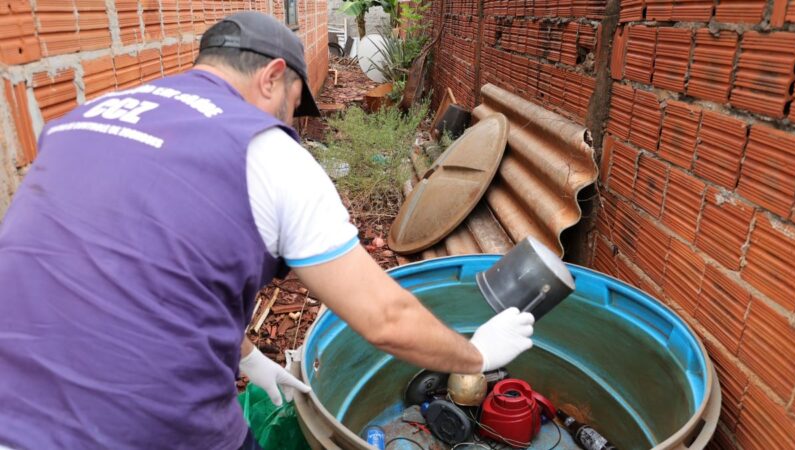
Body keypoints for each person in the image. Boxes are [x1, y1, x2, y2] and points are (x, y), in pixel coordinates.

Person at [0, 12, 534, 450]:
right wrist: (476, 356)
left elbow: (142, 268)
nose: (292, 119)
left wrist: (248, 356)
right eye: (294, 103)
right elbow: (386, 318)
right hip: (146, 429)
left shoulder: (79, 120)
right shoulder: (264, 149)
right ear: (273, 75)